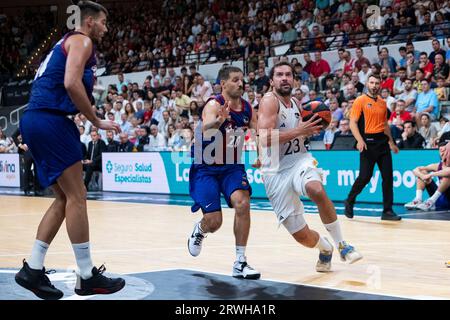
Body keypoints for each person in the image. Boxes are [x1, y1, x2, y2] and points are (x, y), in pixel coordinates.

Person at [16, 1, 125, 300]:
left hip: (35, 119)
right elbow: (71, 82)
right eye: (103, 21)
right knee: (78, 196)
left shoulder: (63, 43)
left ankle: (33, 269)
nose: (105, 27)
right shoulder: (82, 40)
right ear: (89, 21)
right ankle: (87, 275)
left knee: (64, 197)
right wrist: (96, 120)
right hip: (50, 120)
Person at [257, 61, 362, 273]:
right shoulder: (269, 101)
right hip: (275, 172)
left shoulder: (296, 103)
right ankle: (325, 248)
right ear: (272, 81)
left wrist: (307, 131)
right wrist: (299, 131)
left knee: (316, 189)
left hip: (299, 160)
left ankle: (343, 245)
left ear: (295, 80)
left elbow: (297, 132)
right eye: (279, 75)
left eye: (288, 74)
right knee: (301, 236)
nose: (284, 78)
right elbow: (264, 137)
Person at [188, 66, 261, 279]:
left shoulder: (247, 108)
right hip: (206, 167)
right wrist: (219, 120)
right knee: (214, 222)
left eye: (242, 80)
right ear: (223, 84)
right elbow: (205, 130)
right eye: (236, 80)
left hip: (232, 166)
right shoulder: (214, 104)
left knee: (243, 202)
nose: (241, 83)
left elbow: (257, 131)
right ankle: (200, 229)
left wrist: (260, 153)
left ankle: (240, 262)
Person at [344, 74, 402, 221]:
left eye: (377, 83)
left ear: (380, 85)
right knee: (364, 177)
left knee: (388, 177)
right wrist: (359, 140)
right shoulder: (360, 100)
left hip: (382, 143)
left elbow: (385, 126)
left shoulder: (383, 103)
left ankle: (387, 211)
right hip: (367, 143)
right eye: (372, 82)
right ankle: (349, 201)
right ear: (367, 84)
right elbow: (353, 123)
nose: (374, 85)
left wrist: (391, 143)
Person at [404, 135, 450, 211]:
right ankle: (418, 199)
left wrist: (431, 174)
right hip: (439, 199)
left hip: (448, 200)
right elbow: (415, 169)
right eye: (440, 151)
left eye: (444, 150)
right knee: (423, 172)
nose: (442, 153)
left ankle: (431, 201)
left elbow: (448, 172)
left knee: (447, 177)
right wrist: (422, 176)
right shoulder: (437, 165)